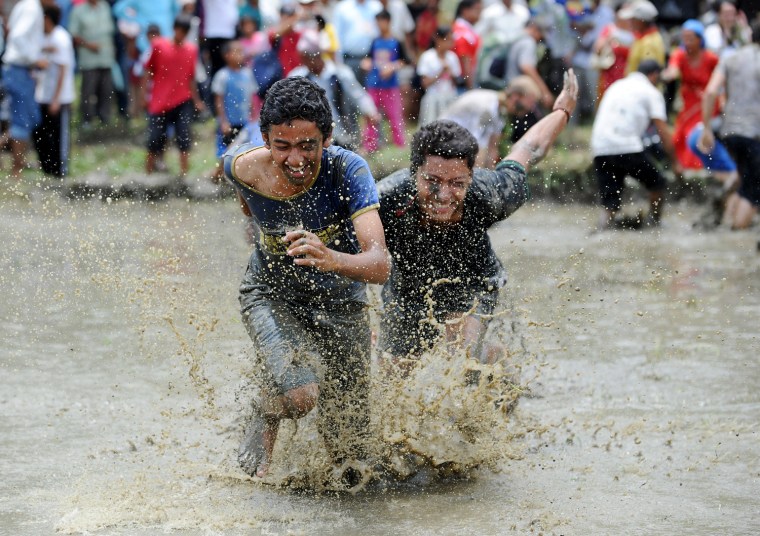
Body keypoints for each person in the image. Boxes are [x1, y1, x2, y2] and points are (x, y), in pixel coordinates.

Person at [223, 76, 390, 479]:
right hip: (270, 293)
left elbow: (380, 264)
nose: (295, 159)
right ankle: (268, 405)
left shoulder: (350, 170)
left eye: (307, 146)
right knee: (300, 396)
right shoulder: (242, 168)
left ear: (327, 138)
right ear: (265, 140)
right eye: (282, 146)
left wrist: (329, 257)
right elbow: (248, 209)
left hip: (341, 301)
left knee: (351, 458)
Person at [375, 69, 578, 362]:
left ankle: (494, 368)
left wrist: (561, 112)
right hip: (407, 288)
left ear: (470, 177)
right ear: (414, 173)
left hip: (473, 281)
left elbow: (528, 150)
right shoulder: (384, 200)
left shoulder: (489, 193)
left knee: (461, 358)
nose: (444, 195)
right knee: (394, 377)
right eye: (432, 181)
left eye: (457, 184)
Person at [591, 60, 680, 230]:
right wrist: (675, 163)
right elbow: (663, 131)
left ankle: (601, 230)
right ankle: (655, 223)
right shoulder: (651, 92)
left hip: (599, 146)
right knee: (658, 182)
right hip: (626, 146)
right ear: (654, 75)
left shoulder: (617, 86)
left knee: (610, 200)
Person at [698, 21, 760, 230]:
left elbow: (710, 92)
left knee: (745, 181)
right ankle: (737, 232)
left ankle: (726, 223)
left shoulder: (730, 58)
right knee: (754, 190)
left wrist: (706, 128)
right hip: (753, 133)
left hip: (729, 131)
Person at [289, 30, 379, 151]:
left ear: (315, 56)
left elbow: (359, 95)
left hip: (343, 134)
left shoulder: (339, 74)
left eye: (305, 58)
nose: (303, 62)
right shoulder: (298, 78)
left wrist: (370, 112)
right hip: (314, 139)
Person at [141, 14, 204, 178]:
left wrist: (196, 100)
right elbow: (148, 71)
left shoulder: (191, 50)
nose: (181, 34)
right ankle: (147, 174)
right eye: (179, 30)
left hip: (183, 99)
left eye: (184, 31)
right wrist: (143, 96)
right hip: (160, 100)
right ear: (174, 28)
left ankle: (184, 176)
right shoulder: (159, 46)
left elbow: (190, 77)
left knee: (184, 137)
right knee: (154, 139)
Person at [439, 75, 541, 168]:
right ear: (515, 97)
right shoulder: (487, 107)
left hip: (457, 144)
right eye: (530, 102)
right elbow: (476, 149)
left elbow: (493, 148)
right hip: (442, 143)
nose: (531, 108)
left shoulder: (500, 110)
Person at [661, 19, 720, 171]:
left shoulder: (711, 58)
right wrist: (666, 75)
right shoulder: (679, 54)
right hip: (688, 100)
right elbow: (673, 70)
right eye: (684, 38)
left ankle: (700, 166)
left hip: (706, 102)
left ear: (700, 40)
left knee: (696, 131)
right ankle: (683, 165)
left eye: (690, 38)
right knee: (681, 132)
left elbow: (720, 79)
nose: (686, 42)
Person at [1, 0, 44, 178]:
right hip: (19, 69)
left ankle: (19, 164)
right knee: (22, 122)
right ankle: (16, 171)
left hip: (18, 69)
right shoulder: (32, 7)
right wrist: (34, 59)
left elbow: (12, 29)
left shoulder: (24, 5)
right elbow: (17, 36)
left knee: (32, 118)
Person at [33, 4, 75, 177]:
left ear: (47, 19)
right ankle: (47, 170)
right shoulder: (43, 37)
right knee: (41, 135)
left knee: (59, 137)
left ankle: (60, 172)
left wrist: (56, 99)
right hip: (42, 95)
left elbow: (62, 70)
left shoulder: (61, 38)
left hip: (59, 98)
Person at [360, 9, 409, 152]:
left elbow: (405, 60)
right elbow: (369, 57)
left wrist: (392, 67)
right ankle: (370, 145)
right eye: (377, 22)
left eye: (382, 21)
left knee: (395, 116)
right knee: (371, 115)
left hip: (390, 85)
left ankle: (399, 145)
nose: (380, 25)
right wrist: (366, 63)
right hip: (373, 84)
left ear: (388, 22)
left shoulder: (396, 41)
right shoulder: (375, 41)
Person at [209, 40, 257, 181]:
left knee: (241, 150)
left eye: (242, 52)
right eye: (236, 52)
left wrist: (253, 117)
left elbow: (251, 97)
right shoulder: (223, 75)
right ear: (227, 55)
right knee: (226, 152)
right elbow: (218, 100)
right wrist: (223, 121)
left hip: (244, 121)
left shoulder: (247, 74)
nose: (240, 55)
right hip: (229, 122)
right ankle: (217, 175)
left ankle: (233, 178)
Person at [68, 0, 116, 129]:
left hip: (106, 57)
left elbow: (110, 30)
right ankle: (86, 119)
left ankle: (105, 118)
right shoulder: (78, 11)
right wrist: (89, 45)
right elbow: (74, 34)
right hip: (89, 58)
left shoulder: (104, 7)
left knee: (106, 89)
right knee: (88, 90)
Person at [416, 26, 461, 126]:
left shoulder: (452, 57)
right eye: (447, 39)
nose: (450, 42)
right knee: (430, 126)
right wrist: (440, 73)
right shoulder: (428, 57)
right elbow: (424, 83)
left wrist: (450, 73)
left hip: (449, 96)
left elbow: (457, 81)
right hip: (433, 97)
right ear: (438, 40)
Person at [621, 0, 664, 75]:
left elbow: (648, 75)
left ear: (641, 21)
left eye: (633, 19)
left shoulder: (649, 42)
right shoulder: (641, 37)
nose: (630, 21)